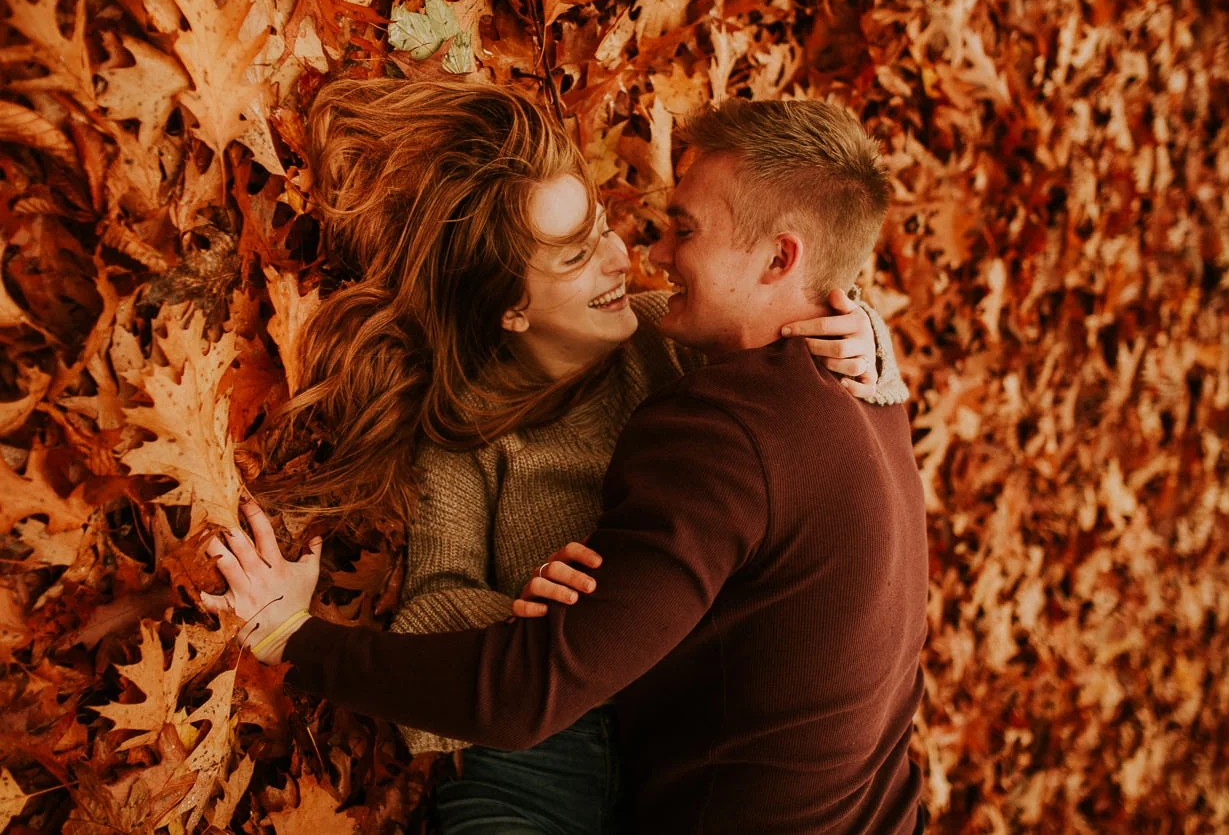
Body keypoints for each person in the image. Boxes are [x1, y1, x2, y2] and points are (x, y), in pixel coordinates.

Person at [210, 80, 907, 834]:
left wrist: (867, 340)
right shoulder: (470, 430)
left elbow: (788, 326)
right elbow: (436, 605)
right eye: (577, 252)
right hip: (559, 728)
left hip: (639, 721)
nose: (630, 256)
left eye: (606, 228)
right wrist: (546, 613)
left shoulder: (675, 348)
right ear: (510, 304)